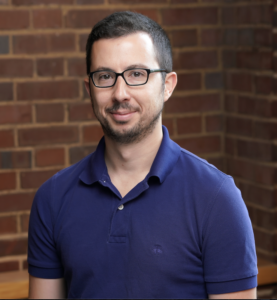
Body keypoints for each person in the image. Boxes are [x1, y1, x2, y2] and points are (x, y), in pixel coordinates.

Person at [28, 11, 257, 299]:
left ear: (168, 85)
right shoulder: (52, 198)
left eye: (137, 74)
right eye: (105, 76)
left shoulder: (216, 197)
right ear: (89, 89)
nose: (120, 93)